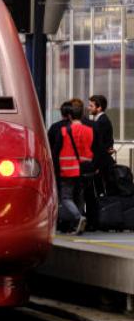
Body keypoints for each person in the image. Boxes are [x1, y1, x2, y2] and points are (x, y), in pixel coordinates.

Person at [48, 100, 94, 234]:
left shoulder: (63, 130)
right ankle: (78, 225)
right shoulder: (89, 130)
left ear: (70, 116)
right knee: (79, 197)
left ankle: (78, 218)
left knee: (66, 197)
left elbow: (55, 151)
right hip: (84, 169)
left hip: (67, 169)